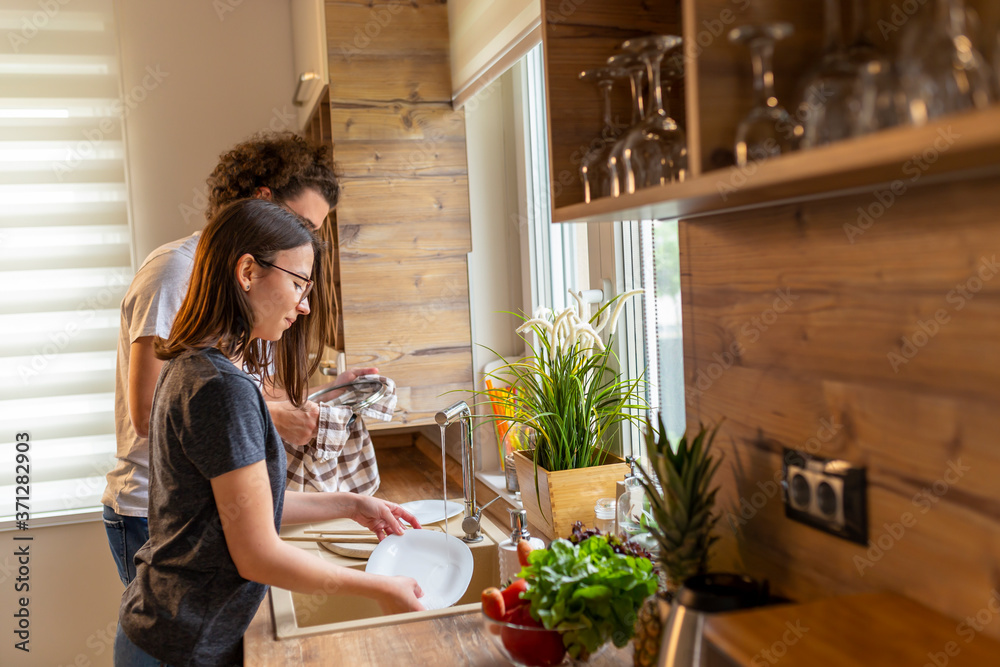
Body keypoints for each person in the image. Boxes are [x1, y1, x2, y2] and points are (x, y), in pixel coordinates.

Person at [115, 199, 424, 667]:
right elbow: (257, 554)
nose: (304, 306)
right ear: (247, 272)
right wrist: (382, 588)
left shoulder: (190, 363)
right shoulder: (221, 388)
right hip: (180, 647)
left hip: (162, 632)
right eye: (299, 283)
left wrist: (352, 503)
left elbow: (244, 511)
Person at [102, 132, 374, 586]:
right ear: (262, 201)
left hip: (208, 497)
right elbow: (153, 411)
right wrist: (274, 419)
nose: (306, 242)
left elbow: (241, 385)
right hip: (153, 510)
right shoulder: (175, 272)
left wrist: (331, 392)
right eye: (303, 225)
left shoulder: (251, 293)